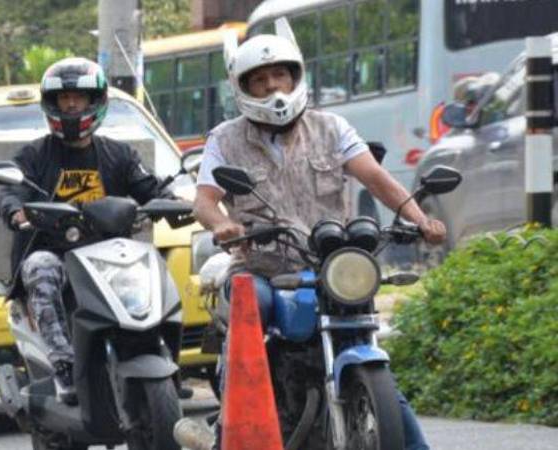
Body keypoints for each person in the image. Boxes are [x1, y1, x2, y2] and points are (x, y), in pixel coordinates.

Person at [190, 23, 443, 450]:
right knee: (252, 309)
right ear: (243, 87)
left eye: (280, 75)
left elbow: (376, 178)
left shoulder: (332, 128)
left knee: (362, 338)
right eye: (260, 79)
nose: (273, 86)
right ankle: (226, 432)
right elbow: (204, 201)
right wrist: (222, 226)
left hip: (330, 266)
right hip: (261, 268)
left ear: (296, 77)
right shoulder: (225, 139)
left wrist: (421, 219)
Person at [0, 57, 175, 405]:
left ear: (96, 101)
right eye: (64, 99)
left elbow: (149, 188)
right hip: (56, 253)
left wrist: (173, 202)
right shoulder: (34, 156)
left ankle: (159, 353)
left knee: (153, 268)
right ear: (52, 104)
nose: (71, 106)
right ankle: (63, 365)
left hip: (110, 257)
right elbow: (12, 191)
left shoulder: (119, 155)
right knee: (40, 267)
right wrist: (17, 211)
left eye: (78, 98)